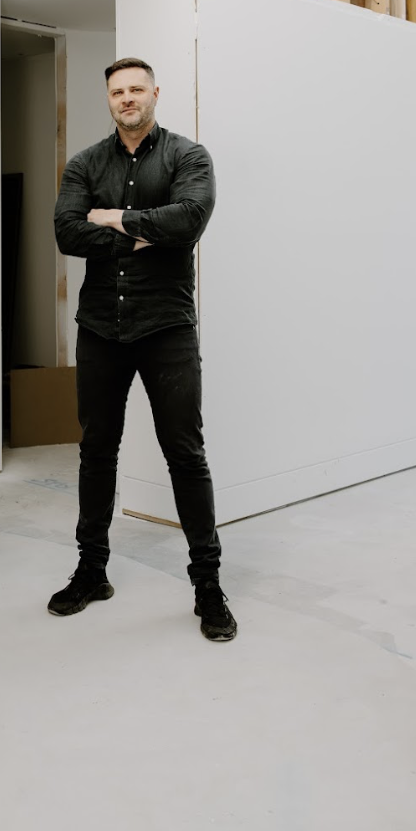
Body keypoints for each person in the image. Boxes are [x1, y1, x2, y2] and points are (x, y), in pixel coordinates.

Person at [50, 59, 237, 641]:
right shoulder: (85, 162)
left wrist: (113, 218)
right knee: (96, 451)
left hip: (166, 327)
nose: (127, 98)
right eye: (117, 91)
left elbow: (190, 219)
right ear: (107, 98)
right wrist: (143, 230)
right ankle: (92, 570)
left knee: (185, 453)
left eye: (136, 89)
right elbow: (65, 232)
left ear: (155, 93)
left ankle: (207, 585)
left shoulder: (188, 156)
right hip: (101, 328)